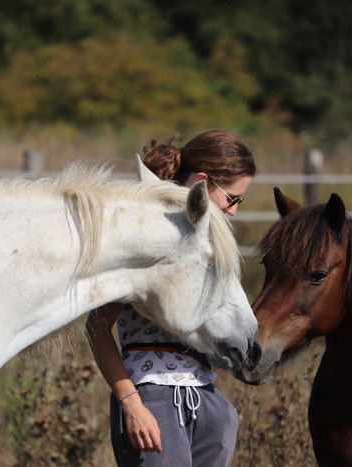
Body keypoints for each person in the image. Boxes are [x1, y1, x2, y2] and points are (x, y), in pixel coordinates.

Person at [86, 129, 256, 467]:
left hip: (205, 392)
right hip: (153, 398)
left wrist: (222, 413)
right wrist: (132, 404)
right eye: (233, 199)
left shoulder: (204, 247)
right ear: (202, 182)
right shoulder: (151, 237)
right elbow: (97, 326)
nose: (234, 211)